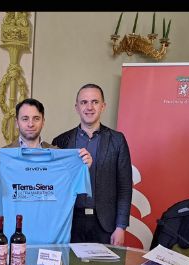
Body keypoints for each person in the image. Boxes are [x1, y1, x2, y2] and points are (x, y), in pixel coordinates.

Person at [52, 84, 134, 247]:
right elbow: (56, 185)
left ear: (103, 106)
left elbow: (125, 187)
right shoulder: (60, 142)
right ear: (77, 107)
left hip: (105, 225)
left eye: (95, 102)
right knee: (69, 263)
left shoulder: (117, 140)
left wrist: (121, 227)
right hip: (69, 222)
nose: (89, 107)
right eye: (84, 102)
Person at [0, 99, 92, 180]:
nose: (30, 124)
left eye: (36, 118)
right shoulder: (2, 155)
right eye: (25, 119)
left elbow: (69, 184)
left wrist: (83, 168)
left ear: (43, 122)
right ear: (17, 123)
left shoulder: (57, 153)